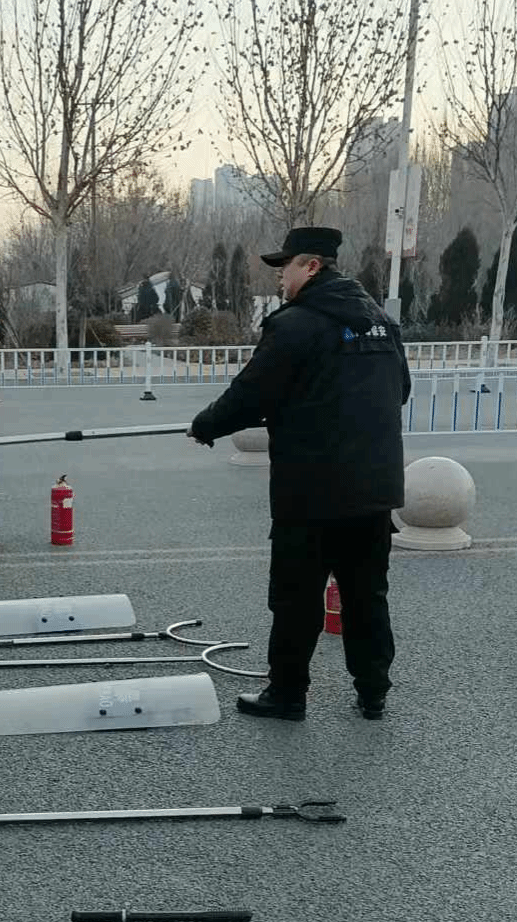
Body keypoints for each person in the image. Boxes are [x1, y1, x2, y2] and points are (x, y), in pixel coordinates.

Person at [188, 226, 409, 721]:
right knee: (367, 595)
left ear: (311, 266)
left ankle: (287, 695)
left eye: (284, 266)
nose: (279, 277)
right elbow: (402, 391)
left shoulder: (295, 325)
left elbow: (252, 393)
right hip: (374, 490)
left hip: (311, 492)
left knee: (296, 598)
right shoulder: (381, 323)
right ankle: (373, 692)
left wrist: (205, 426)